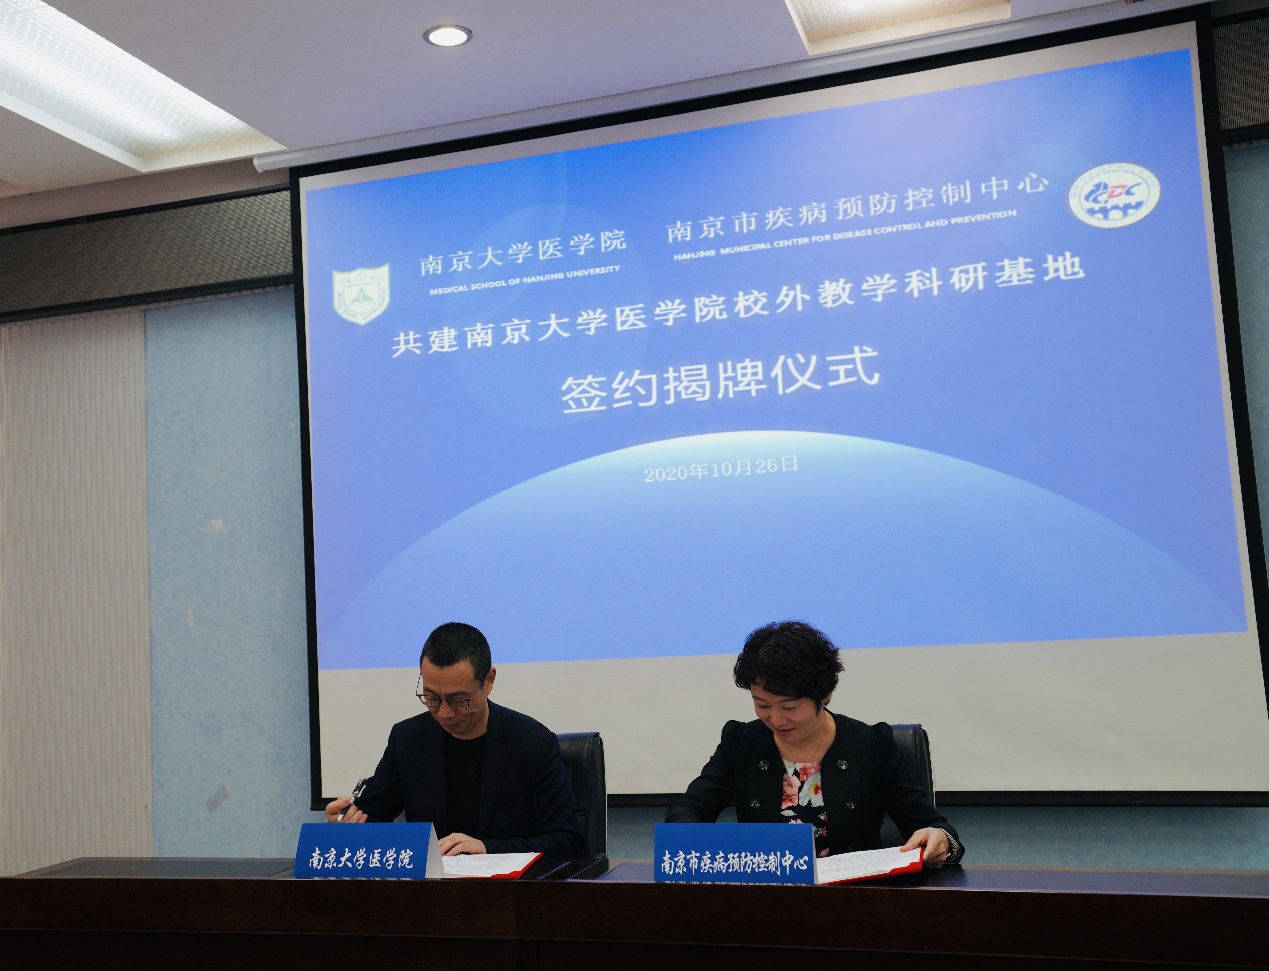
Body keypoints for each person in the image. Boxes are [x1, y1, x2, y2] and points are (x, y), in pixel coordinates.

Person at [666, 620, 963, 866]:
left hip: (854, 899)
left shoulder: (872, 746)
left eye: (790, 707)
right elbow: (690, 807)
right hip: (767, 894)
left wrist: (939, 838)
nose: (776, 719)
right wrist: (686, 835)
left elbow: (936, 827)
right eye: (762, 704)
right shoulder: (742, 742)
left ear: (825, 695)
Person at [325, 622, 585, 859]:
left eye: (459, 700)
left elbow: (566, 842)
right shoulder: (408, 739)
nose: (444, 713)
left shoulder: (532, 743)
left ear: (489, 681)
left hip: (509, 891)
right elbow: (371, 817)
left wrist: (487, 849)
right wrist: (345, 822)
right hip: (433, 890)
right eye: (431, 698)